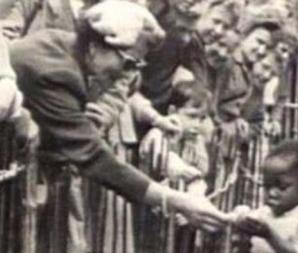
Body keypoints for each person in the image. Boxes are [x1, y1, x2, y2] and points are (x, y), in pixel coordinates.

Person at [9, 0, 228, 230]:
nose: (129, 75)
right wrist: (175, 200)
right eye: (128, 63)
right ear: (95, 47)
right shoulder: (56, 75)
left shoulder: (61, 45)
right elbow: (93, 157)